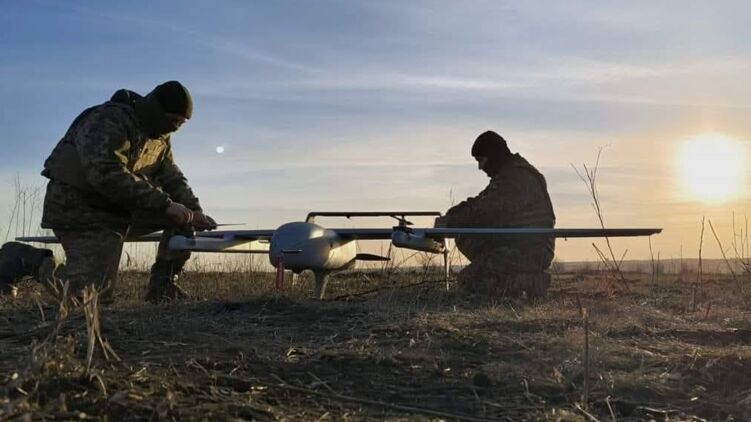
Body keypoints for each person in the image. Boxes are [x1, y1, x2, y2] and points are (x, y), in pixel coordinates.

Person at [40, 81, 216, 303]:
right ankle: (27, 261)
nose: (175, 128)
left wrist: (194, 211)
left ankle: (162, 286)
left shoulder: (159, 137)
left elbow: (172, 177)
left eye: (180, 124)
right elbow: (105, 173)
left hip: (120, 209)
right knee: (88, 298)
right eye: (172, 121)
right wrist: (164, 205)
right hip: (79, 210)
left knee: (183, 220)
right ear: (156, 111)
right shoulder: (107, 120)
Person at [436, 131, 556, 298]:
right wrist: (452, 215)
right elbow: (481, 201)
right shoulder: (510, 174)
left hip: (529, 250)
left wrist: (451, 222)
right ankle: (521, 279)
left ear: (492, 155)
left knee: (469, 282)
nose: (480, 167)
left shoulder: (517, 177)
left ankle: (530, 282)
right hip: (515, 244)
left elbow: (487, 211)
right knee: (465, 235)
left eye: (481, 160)